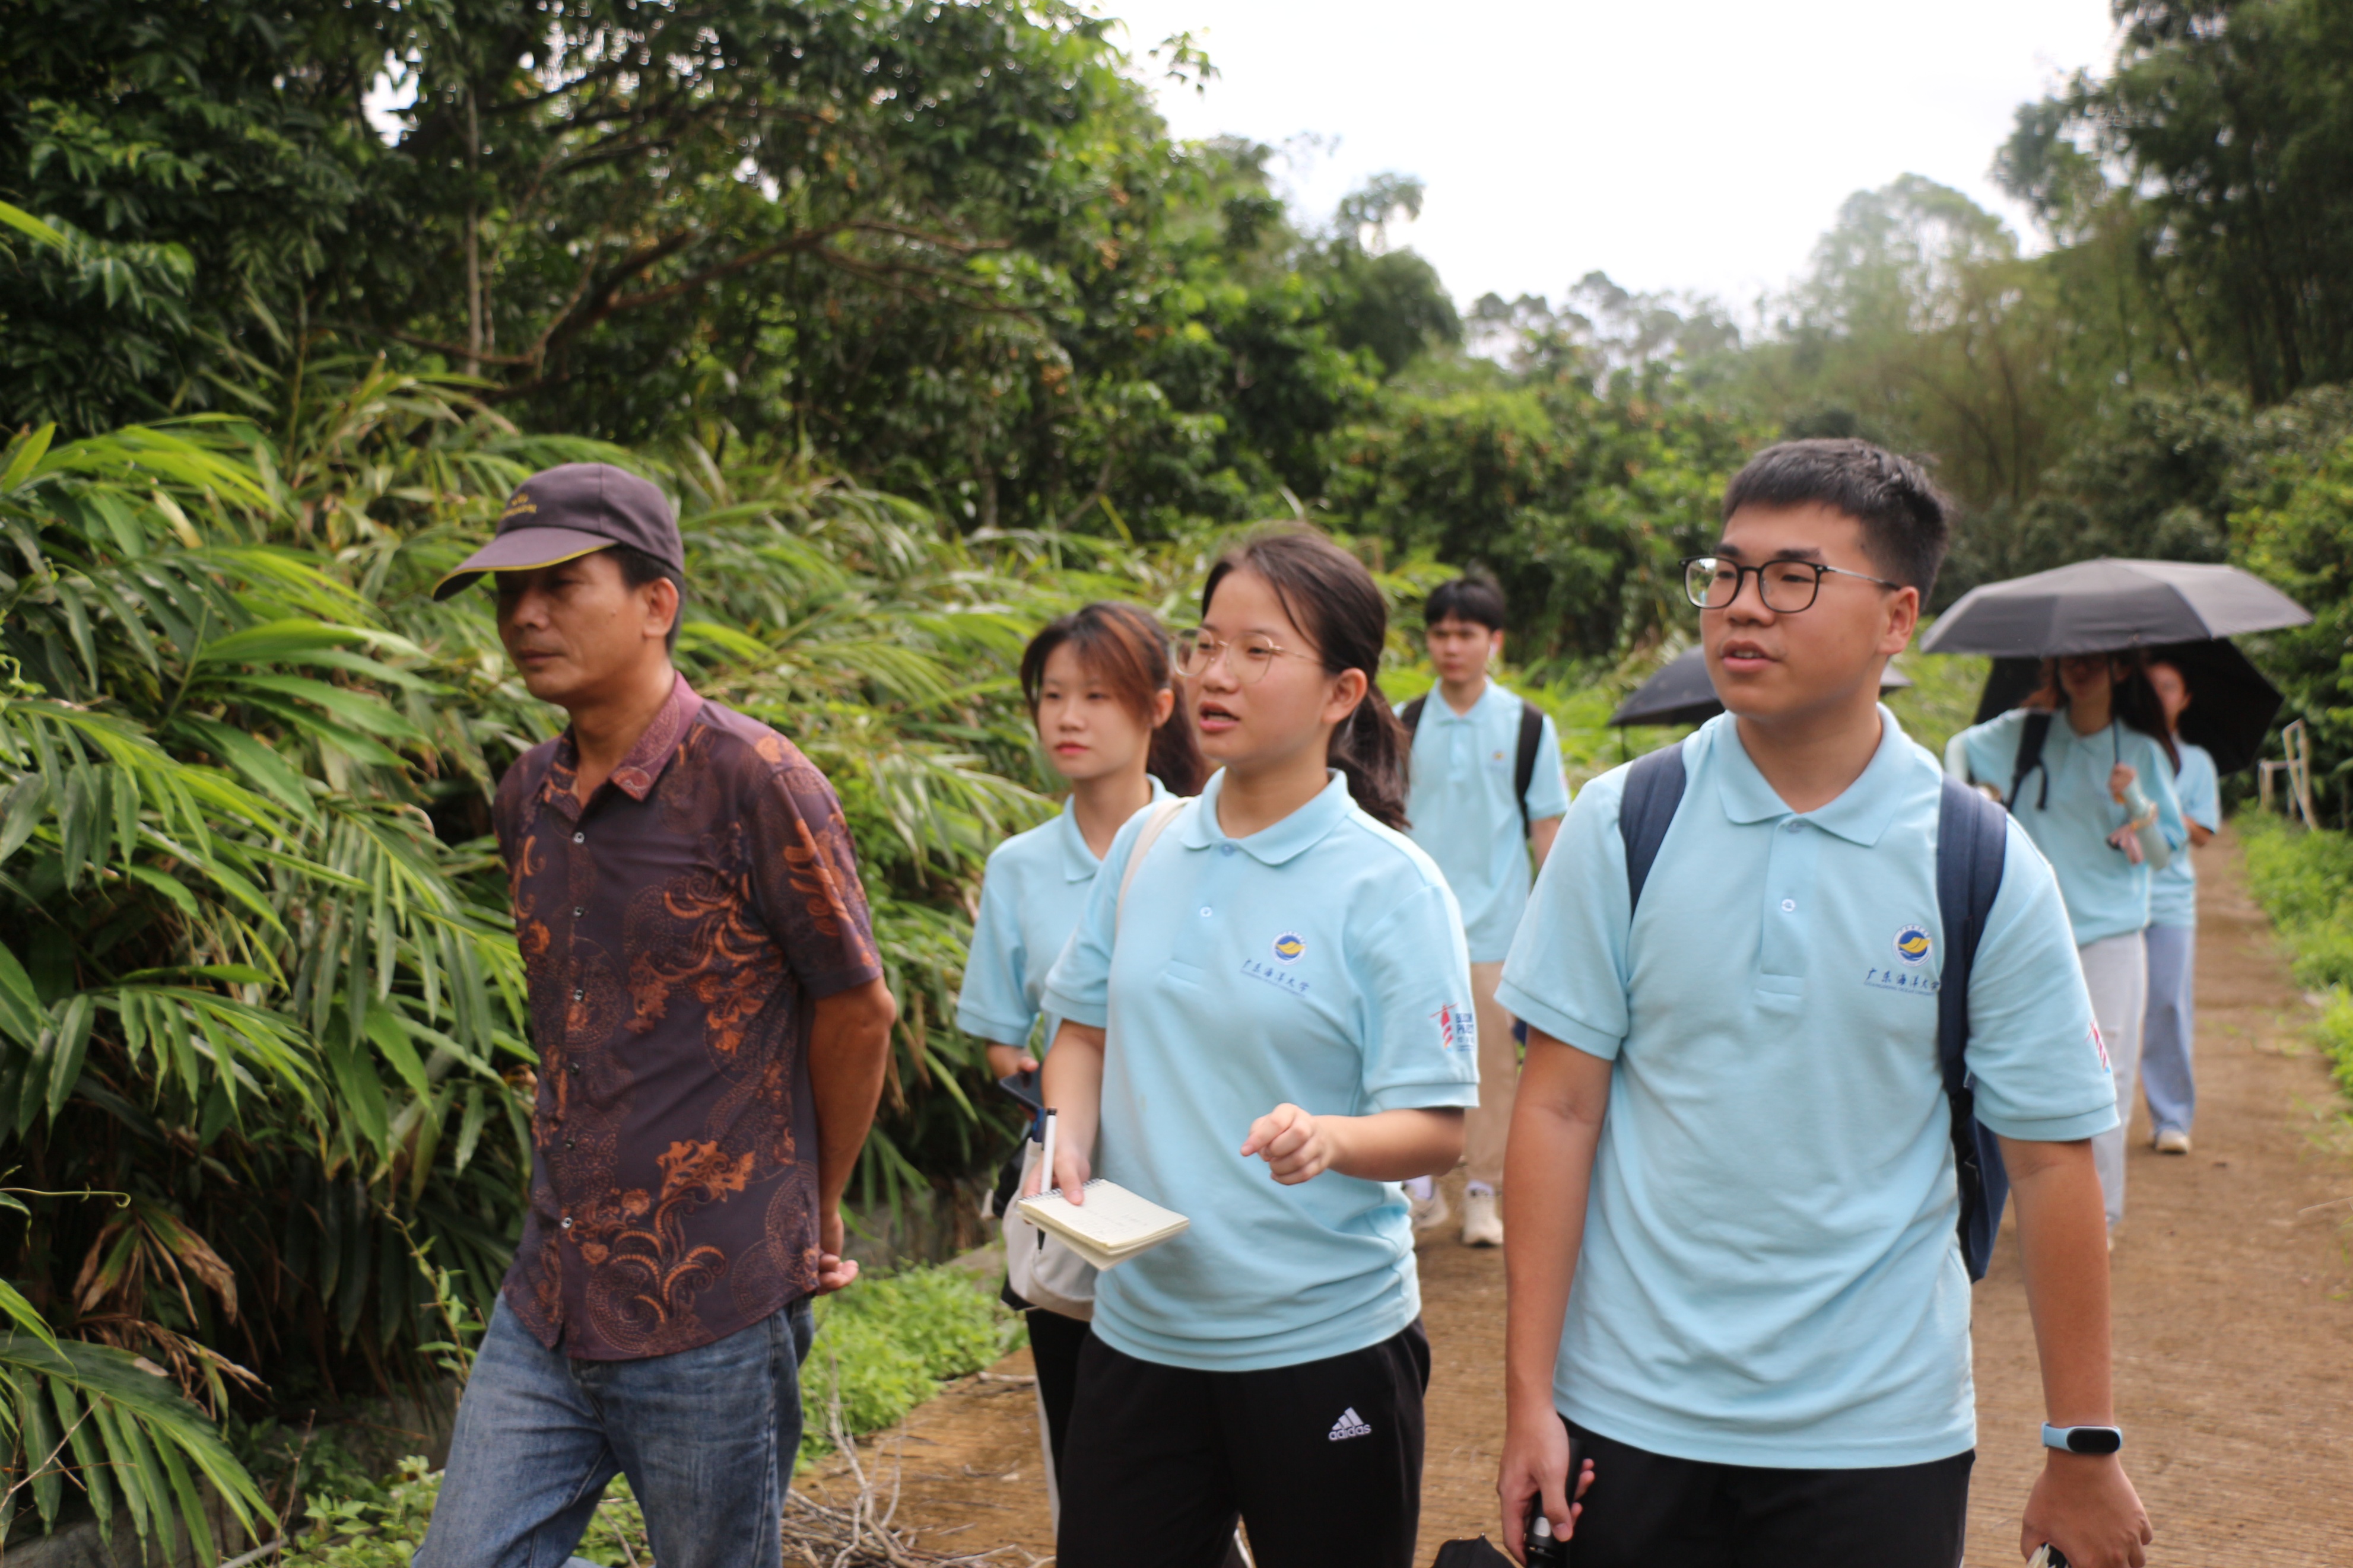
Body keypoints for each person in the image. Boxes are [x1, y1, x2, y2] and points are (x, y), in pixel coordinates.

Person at [1497, 439, 2152, 1568]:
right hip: (1631, 1408)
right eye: (1728, 572)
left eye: (1794, 578)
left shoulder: (1978, 860)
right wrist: (1528, 1398)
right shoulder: (1625, 822)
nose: (1744, 608)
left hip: (1880, 1432)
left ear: (1897, 619)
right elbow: (1557, 1110)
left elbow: (2051, 1162)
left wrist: (2080, 1443)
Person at [416, 463, 898, 1568]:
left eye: (559, 585)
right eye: (508, 594)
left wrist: (815, 1205)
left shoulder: (758, 781)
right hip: (548, 1292)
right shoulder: (525, 796)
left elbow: (858, 1007)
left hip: (713, 1303)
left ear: (656, 601)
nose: (524, 616)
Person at [1034, 528, 1481, 1568]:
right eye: (1204, 643)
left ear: (1342, 691)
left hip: (1322, 1339)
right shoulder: (1148, 843)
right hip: (1140, 1332)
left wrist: (1328, 1136)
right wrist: (1066, 1135)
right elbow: (1083, 1029)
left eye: (1258, 650)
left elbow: (1439, 1129)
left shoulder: (1390, 885)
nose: (1215, 674)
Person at [955, 602, 1205, 1517]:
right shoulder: (1019, 866)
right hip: (1079, 1200)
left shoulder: (1209, 840)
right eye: (1052, 695)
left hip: (1204, 1185)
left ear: (1158, 707)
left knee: (1205, 1442)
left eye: (1098, 695)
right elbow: (997, 1033)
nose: (1067, 716)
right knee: (1085, 1446)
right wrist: (1058, 1122)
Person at [1949, 653, 2185, 1235]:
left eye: (2094, 660)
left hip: (2109, 934)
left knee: (2100, 1079)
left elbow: (2162, 854)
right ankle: (2010, 1205)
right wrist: (1968, 794)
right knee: (2010, 1071)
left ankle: (2094, 1218)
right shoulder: (2023, 731)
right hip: (2028, 929)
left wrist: (2134, 804)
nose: (2078, 669)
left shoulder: (2141, 752)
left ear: (2121, 671)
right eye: (2067, 659)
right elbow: (1959, 747)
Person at [1399, 576, 1568, 1248]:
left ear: (1492, 642)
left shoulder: (1526, 726)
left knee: (1495, 1071)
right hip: (1414, 930)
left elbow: (1546, 831)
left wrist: (1553, 928)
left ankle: (1479, 1195)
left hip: (1498, 929)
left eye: (1465, 634)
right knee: (1408, 1059)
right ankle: (1417, 1190)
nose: (1450, 647)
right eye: (1439, 633)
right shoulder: (1402, 721)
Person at [2139, 659, 2218, 1154]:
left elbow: (2204, 832)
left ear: (2184, 698)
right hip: (2109, 899)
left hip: (2169, 901)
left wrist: (2158, 814)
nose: (2159, 695)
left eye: (2168, 687)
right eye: (2150, 687)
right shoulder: (2121, 752)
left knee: (2167, 1005)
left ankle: (2170, 1117)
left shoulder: (2198, 763)